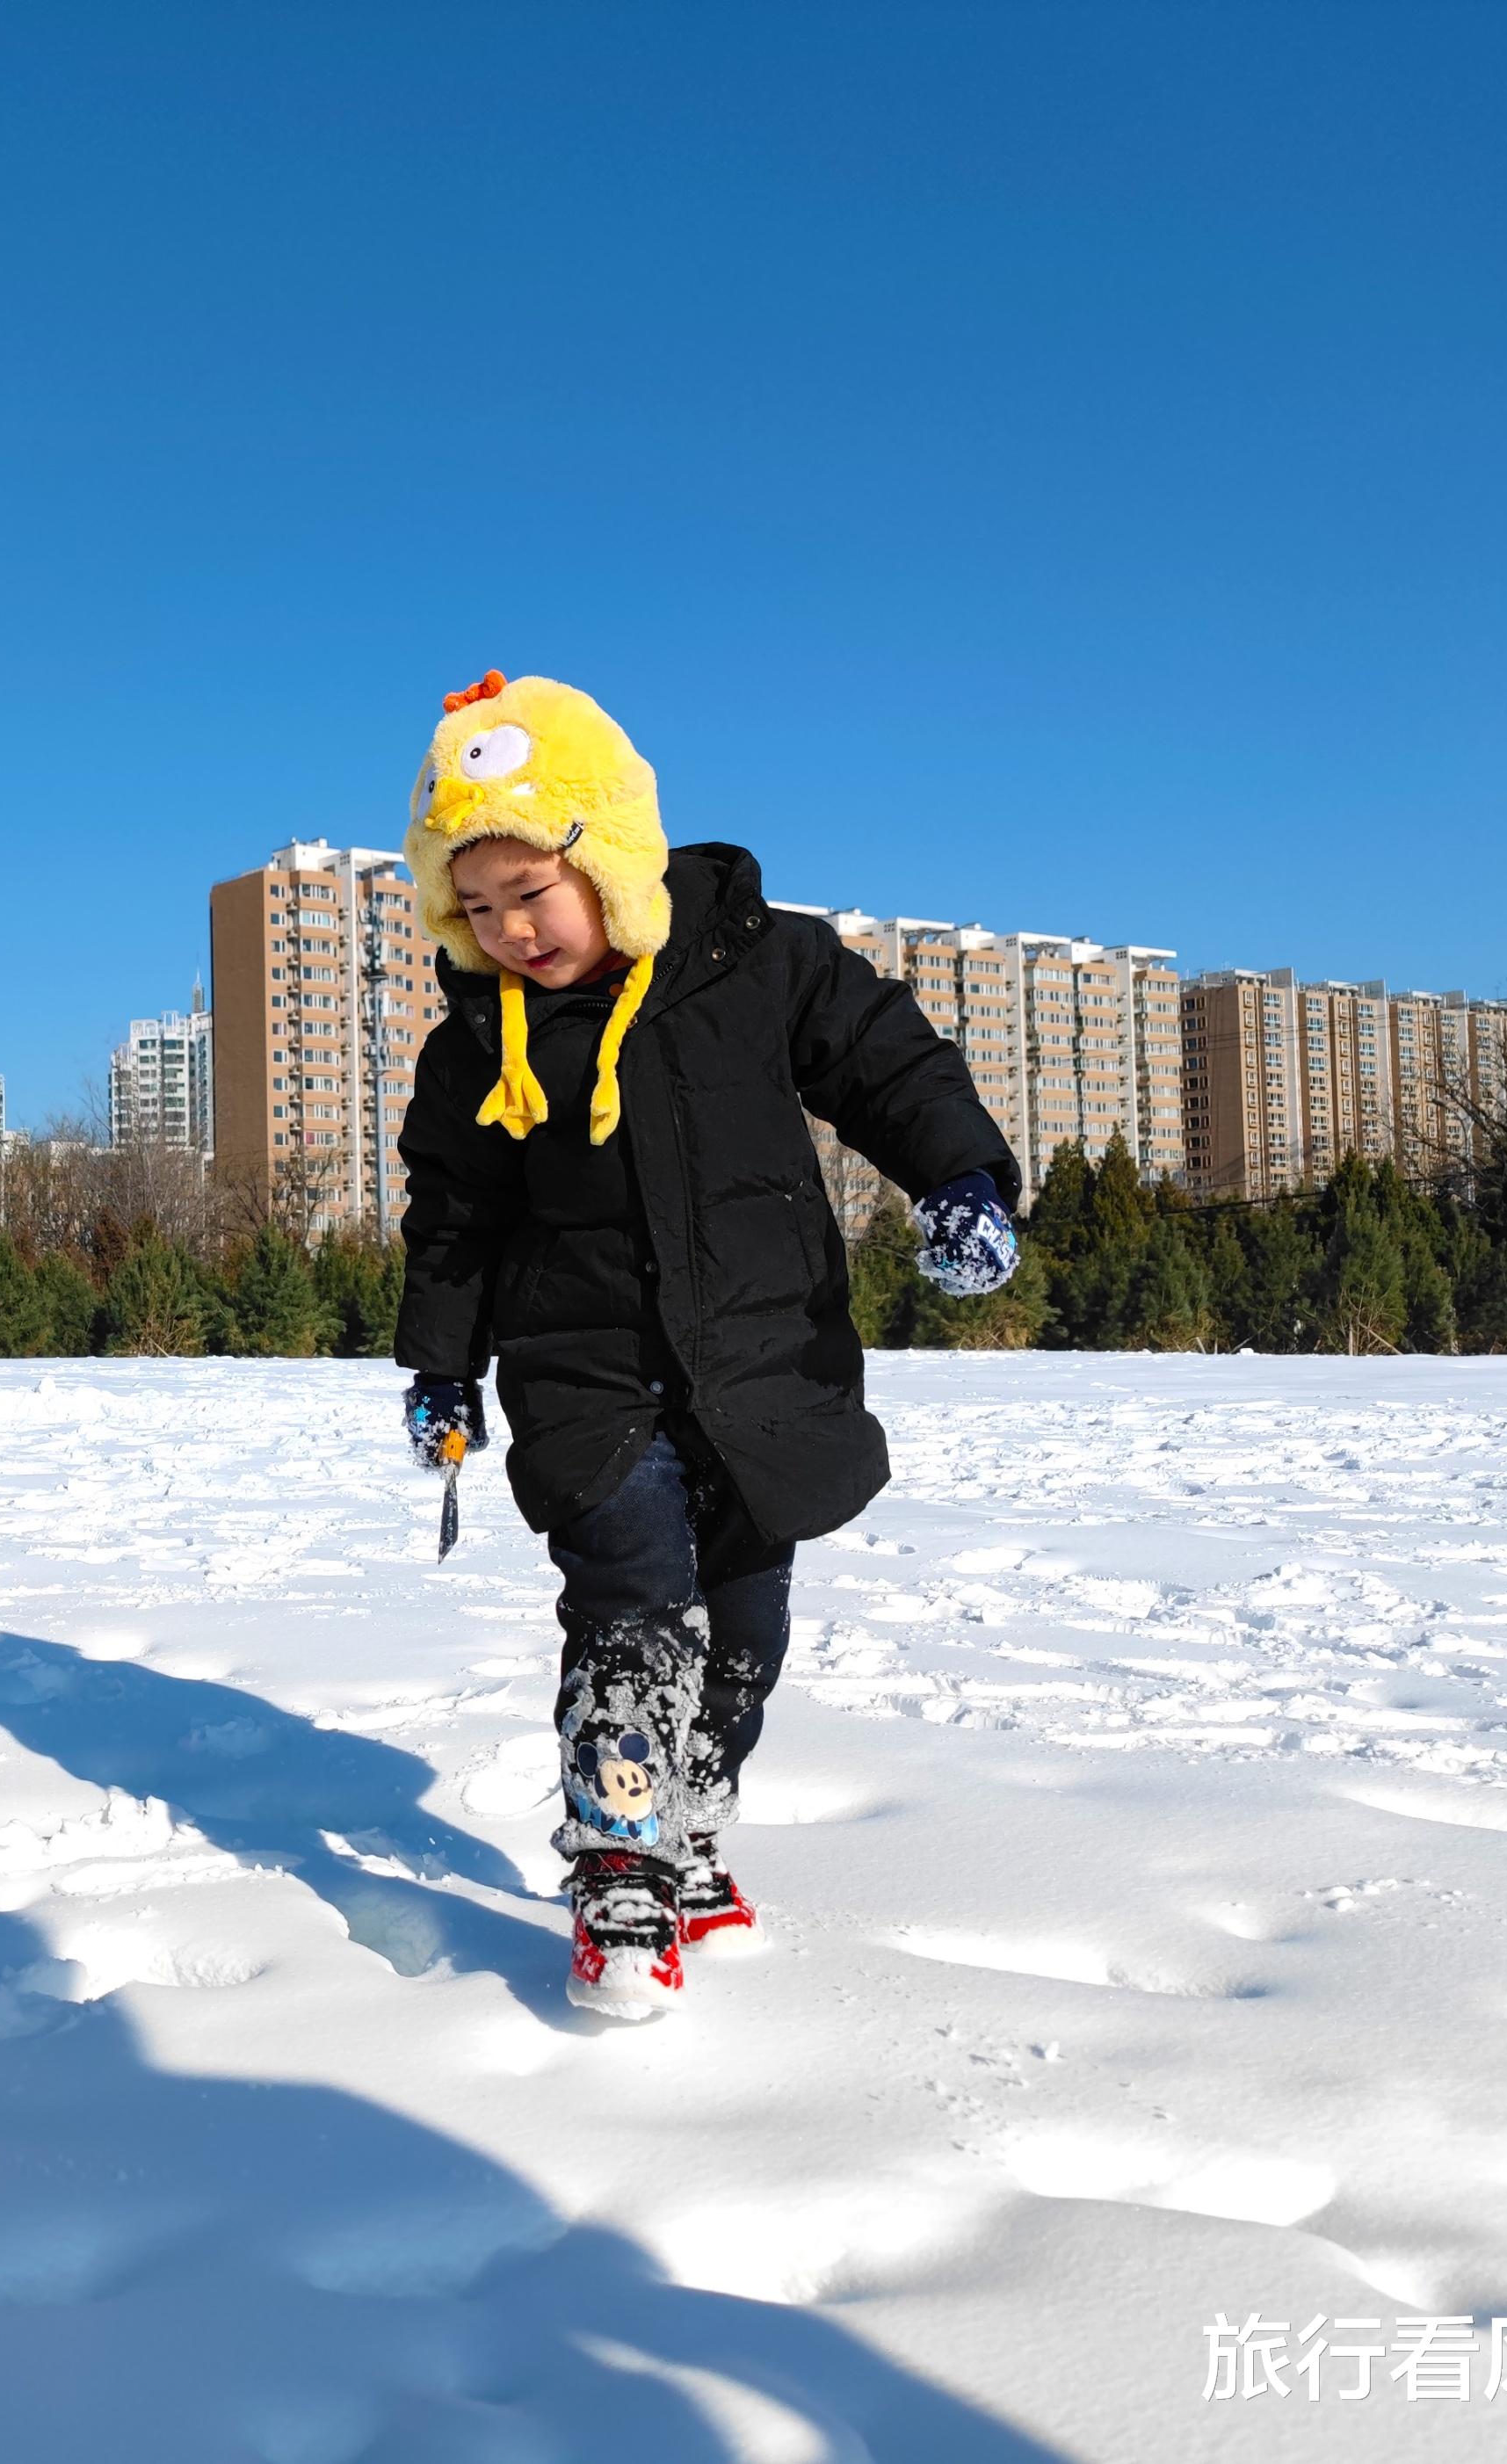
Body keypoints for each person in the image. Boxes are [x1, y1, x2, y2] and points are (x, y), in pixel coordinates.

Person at [393, 670, 1018, 2018]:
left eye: (530, 893)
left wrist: (959, 1177)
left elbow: (886, 1061)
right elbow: (449, 1222)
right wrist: (440, 1366)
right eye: (476, 905)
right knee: (626, 1605)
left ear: (604, 854)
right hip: (583, 1377)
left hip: (758, 1364)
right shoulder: (476, 1055)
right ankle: (618, 1862)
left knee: (741, 1621)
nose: (507, 930)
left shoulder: (757, 962)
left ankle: (691, 1810)